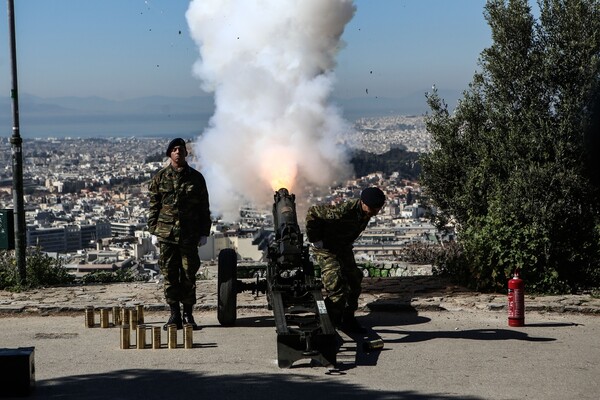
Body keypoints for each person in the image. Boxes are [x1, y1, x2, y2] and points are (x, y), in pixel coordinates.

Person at [148, 138, 211, 331]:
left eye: (181, 149)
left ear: (186, 153)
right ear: (169, 154)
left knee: (188, 275)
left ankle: (188, 315)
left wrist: (204, 232)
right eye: (174, 150)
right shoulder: (159, 178)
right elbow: (154, 206)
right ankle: (174, 314)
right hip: (166, 235)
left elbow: (204, 208)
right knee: (169, 275)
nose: (178, 152)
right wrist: (153, 231)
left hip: (189, 235)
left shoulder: (196, 178)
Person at [305, 187, 386, 333]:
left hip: (342, 248)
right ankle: (328, 322)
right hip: (326, 248)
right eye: (373, 208)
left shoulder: (366, 212)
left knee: (355, 280)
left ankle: (347, 319)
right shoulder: (343, 211)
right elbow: (313, 211)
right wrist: (314, 239)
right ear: (363, 202)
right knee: (336, 284)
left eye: (378, 209)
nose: (375, 212)